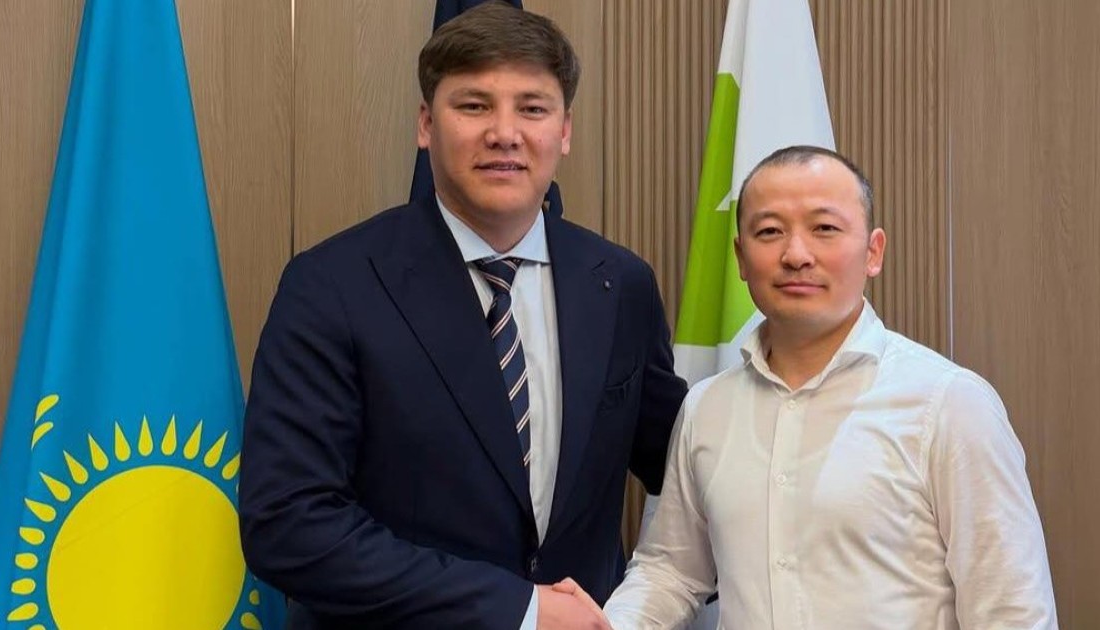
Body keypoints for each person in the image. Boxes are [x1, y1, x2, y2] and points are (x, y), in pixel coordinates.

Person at [238, 3, 687, 628]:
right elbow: (288, 525)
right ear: (426, 124)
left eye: (532, 108)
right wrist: (519, 609)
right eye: (474, 106)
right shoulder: (331, 286)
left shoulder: (620, 284)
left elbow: (686, 462)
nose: (505, 133)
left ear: (564, 131)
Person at [589, 145, 1058, 628]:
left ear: (873, 252)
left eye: (825, 229)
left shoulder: (949, 404)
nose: (796, 255)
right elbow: (672, 572)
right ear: (741, 257)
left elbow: (1012, 611)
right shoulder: (706, 407)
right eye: (769, 232)